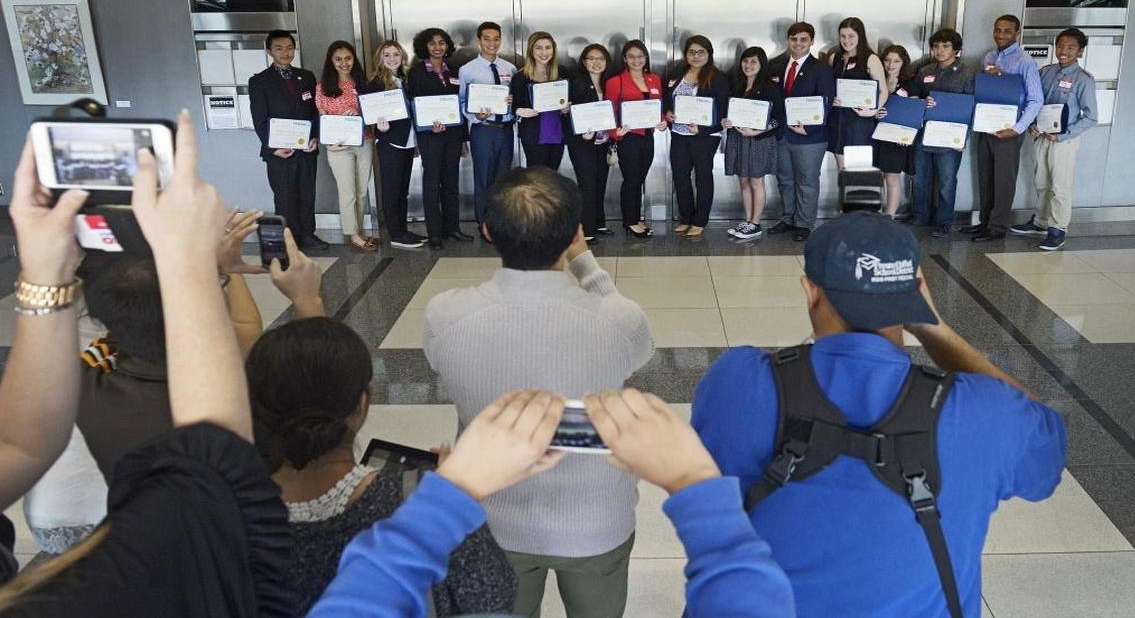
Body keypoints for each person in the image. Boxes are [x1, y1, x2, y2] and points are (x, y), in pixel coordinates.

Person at [692, 212, 1066, 618]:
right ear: (916, 293)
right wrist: (935, 330)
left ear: (810, 290)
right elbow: (1046, 454)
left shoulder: (737, 382)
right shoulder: (987, 411)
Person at [0, 110, 293, 616]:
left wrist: (48, 268)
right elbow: (210, 464)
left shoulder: (89, 386)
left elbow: (22, 444)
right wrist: (194, 262)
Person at [308, 389, 797, 618]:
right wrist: (694, 481)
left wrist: (455, 488)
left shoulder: (446, 312)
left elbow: (363, 594)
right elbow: (754, 603)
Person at [424, 167, 654, 618]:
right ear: (574, 234)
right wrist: (584, 262)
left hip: (490, 518)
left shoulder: (444, 314)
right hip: (595, 516)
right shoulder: (619, 319)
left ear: (487, 231)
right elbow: (637, 353)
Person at [247, 317, 518, 617]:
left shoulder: (221, 509)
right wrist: (453, 497)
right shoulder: (417, 503)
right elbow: (493, 594)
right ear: (362, 405)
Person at [74, 216, 325, 483]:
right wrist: (307, 300)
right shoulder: (243, 392)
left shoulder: (88, 388)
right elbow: (319, 377)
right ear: (203, 304)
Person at [1011, 28, 1098, 251]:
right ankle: (1041, 221)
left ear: (1080, 51)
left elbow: (1091, 117)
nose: (1063, 51)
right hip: (1041, 136)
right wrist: (1031, 124)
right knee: (1041, 181)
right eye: (1060, 46)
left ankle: (1058, 229)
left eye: (1070, 47)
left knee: (1060, 186)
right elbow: (1035, 102)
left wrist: (1063, 135)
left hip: (1063, 141)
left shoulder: (1083, 79)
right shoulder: (1046, 72)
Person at [964, 14, 1044, 242]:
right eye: (997, 30)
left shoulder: (1024, 61)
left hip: (1009, 130)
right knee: (986, 175)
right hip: (986, 127)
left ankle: (997, 228)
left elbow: (1035, 100)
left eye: (1007, 31)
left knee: (1003, 179)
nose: (1001, 35)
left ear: (1017, 33)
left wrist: (1018, 129)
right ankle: (985, 223)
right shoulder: (988, 57)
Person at [249, 29, 328, 252]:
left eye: (289, 48)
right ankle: (289, 239)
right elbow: (259, 119)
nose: (285, 52)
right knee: (284, 196)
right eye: (279, 48)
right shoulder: (259, 81)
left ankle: (308, 235)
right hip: (278, 152)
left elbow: (315, 111)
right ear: (269, 51)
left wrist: (315, 137)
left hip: (306, 149)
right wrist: (273, 147)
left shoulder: (306, 76)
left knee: (307, 193)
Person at [768, 22, 837, 242]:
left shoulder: (822, 69)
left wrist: (810, 127)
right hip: (782, 133)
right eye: (794, 39)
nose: (798, 44)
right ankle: (788, 218)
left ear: (811, 42)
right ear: (788, 40)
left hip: (810, 137)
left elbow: (826, 102)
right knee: (785, 179)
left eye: (803, 39)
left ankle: (804, 223)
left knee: (807, 180)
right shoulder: (776, 66)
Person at [407, 27, 473, 251]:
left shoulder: (454, 70)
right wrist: (425, 130)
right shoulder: (416, 72)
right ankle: (434, 233)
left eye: (442, 43)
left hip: (453, 135)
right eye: (433, 43)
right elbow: (415, 105)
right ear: (425, 46)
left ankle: (452, 227)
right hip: (430, 137)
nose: (438, 47)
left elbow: (460, 104)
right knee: (432, 183)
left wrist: (464, 138)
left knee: (451, 182)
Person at [909, 29, 974, 238]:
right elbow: (914, 99)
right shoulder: (925, 71)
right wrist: (921, 103)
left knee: (946, 180)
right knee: (920, 177)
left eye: (945, 46)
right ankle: (920, 216)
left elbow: (973, 109)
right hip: (924, 133)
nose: (940, 50)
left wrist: (965, 138)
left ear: (956, 49)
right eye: (936, 46)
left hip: (950, 137)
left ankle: (944, 221)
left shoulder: (966, 74)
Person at [665, 35, 730, 238]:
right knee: (680, 175)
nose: (696, 56)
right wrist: (667, 114)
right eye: (692, 52)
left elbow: (723, 109)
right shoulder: (677, 73)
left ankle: (700, 220)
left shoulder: (717, 77)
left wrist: (701, 129)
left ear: (709, 54)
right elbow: (668, 101)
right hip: (679, 133)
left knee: (702, 176)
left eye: (701, 52)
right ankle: (686, 217)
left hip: (705, 136)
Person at [316, 40, 377, 252]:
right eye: (338, 59)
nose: (344, 63)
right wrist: (329, 145)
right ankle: (353, 234)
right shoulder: (322, 88)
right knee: (348, 191)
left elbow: (374, 114)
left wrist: (359, 114)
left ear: (354, 60)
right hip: (338, 148)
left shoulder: (364, 84)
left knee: (361, 191)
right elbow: (321, 119)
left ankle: (357, 230)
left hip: (364, 142)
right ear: (331, 62)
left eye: (348, 58)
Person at [604, 39, 668, 238]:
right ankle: (630, 221)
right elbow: (609, 111)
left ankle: (635, 217)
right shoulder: (615, 82)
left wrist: (664, 120)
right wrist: (615, 132)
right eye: (631, 56)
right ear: (625, 58)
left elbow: (660, 107)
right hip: (628, 138)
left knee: (639, 179)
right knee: (631, 180)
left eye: (640, 56)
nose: (636, 60)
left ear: (646, 58)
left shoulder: (654, 79)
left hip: (648, 137)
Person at [458, 21, 518, 228]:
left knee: (504, 180)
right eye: (487, 38)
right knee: (483, 178)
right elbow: (462, 102)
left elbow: (517, 97)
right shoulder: (468, 70)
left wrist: (513, 101)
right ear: (478, 40)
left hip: (506, 129)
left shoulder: (509, 68)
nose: (492, 43)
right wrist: (477, 116)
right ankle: (484, 224)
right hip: (483, 130)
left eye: (496, 38)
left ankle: (500, 223)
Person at [366, 40, 424, 249]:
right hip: (391, 143)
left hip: (407, 141)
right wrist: (377, 125)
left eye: (396, 54)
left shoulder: (405, 79)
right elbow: (369, 113)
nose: (392, 59)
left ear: (402, 57)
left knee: (402, 190)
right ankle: (396, 234)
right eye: (387, 55)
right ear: (380, 58)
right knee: (392, 190)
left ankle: (403, 230)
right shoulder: (375, 83)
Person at [722, 46, 784, 240]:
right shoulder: (736, 84)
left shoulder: (770, 87)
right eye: (745, 61)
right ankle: (748, 221)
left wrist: (758, 130)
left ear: (761, 64)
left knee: (756, 181)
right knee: (743, 180)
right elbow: (727, 112)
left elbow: (779, 118)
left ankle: (756, 223)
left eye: (753, 62)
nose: (748, 65)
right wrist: (725, 122)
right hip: (738, 139)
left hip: (759, 140)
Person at [566, 43, 615, 240]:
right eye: (591, 59)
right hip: (582, 143)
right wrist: (581, 133)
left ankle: (599, 223)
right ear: (584, 62)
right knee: (586, 184)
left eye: (600, 59)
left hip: (603, 141)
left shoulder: (608, 83)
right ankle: (585, 229)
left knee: (600, 182)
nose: (596, 63)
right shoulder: (577, 84)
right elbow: (568, 113)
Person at [827, 18, 889, 171]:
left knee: (858, 171)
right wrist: (831, 98)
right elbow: (828, 86)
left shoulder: (870, 59)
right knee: (842, 169)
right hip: (837, 121)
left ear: (860, 36)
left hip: (858, 123)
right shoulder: (834, 57)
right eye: (843, 36)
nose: (846, 40)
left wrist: (872, 111)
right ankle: (843, 196)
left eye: (851, 36)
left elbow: (884, 91)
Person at [510, 31, 570, 170]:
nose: (544, 52)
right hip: (533, 135)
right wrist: (519, 111)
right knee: (536, 177)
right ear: (531, 50)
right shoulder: (521, 77)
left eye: (548, 47)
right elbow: (512, 106)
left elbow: (570, 99)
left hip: (557, 132)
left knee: (553, 176)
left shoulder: (562, 72)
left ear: (553, 50)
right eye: (538, 48)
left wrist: (567, 108)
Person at [873, 45, 915, 217]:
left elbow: (913, 113)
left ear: (903, 63)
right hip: (874, 134)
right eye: (887, 60)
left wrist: (907, 136)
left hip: (896, 138)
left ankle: (889, 215)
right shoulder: (875, 79)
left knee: (891, 176)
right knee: (876, 176)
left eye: (896, 61)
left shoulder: (910, 84)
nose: (891, 64)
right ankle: (875, 212)